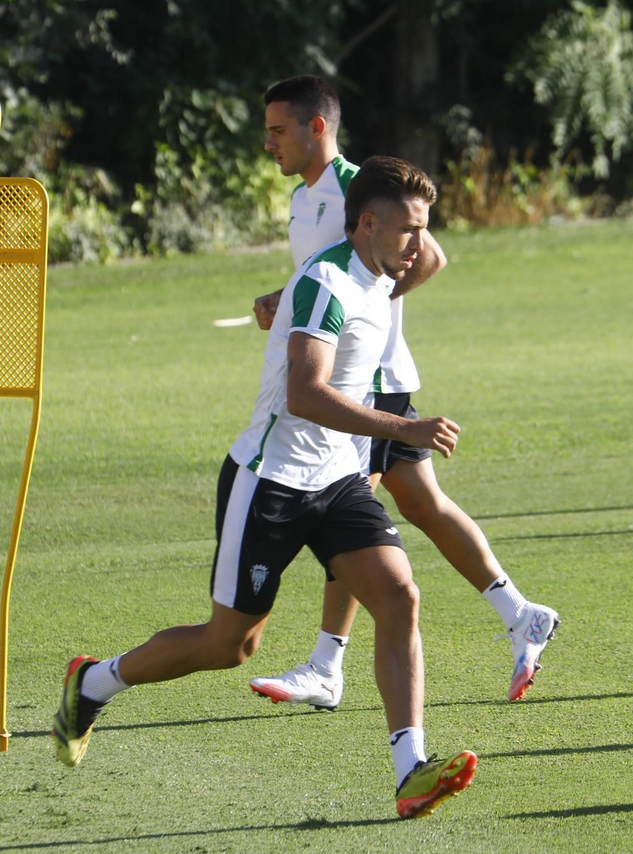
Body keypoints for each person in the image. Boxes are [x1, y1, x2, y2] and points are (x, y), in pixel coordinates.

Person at [52, 158, 477, 819]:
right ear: (367, 224)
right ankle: (94, 682)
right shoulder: (328, 282)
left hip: (335, 482)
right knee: (230, 645)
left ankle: (409, 771)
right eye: (408, 231)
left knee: (399, 596)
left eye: (424, 229)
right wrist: (406, 427)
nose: (420, 247)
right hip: (270, 482)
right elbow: (307, 395)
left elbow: (424, 265)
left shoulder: (379, 273)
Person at [245, 76, 558, 710]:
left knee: (347, 510)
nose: (270, 142)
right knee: (421, 506)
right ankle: (519, 613)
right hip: (361, 382)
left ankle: (327, 666)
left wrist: (364, 313)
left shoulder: (356, 186)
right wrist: (286, 303)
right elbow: (331, 275)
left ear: (317, 128)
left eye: (279, 130)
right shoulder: (303, 199)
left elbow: (430, 259)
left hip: (371, 384)